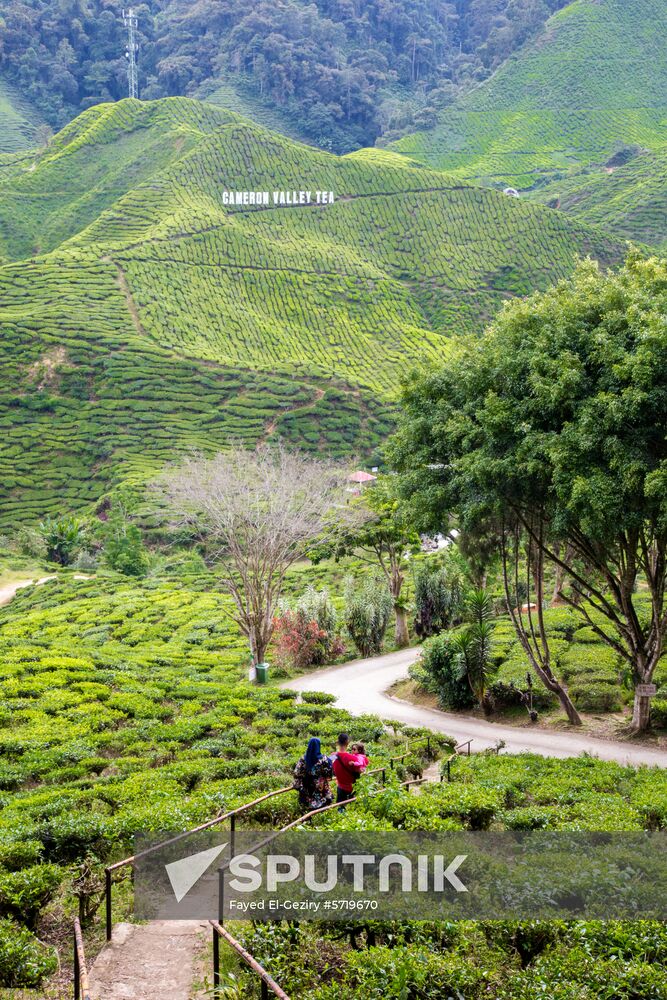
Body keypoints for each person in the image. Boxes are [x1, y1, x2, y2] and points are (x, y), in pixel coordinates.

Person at [293, 737, 333, 811]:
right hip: (321, 787)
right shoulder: (324, 759)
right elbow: (329, 773)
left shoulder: (303, 759)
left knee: (307, 809)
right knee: (323, 809)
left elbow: (296, 773)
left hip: (307, 787)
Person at [331, 732, 366, 806]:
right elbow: (360, 770)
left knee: (340, 808)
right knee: (351, 808)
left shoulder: (333, 756)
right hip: (351, 788)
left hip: (340, 787)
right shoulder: (352, 758)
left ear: (337, 742)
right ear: (347, 742)